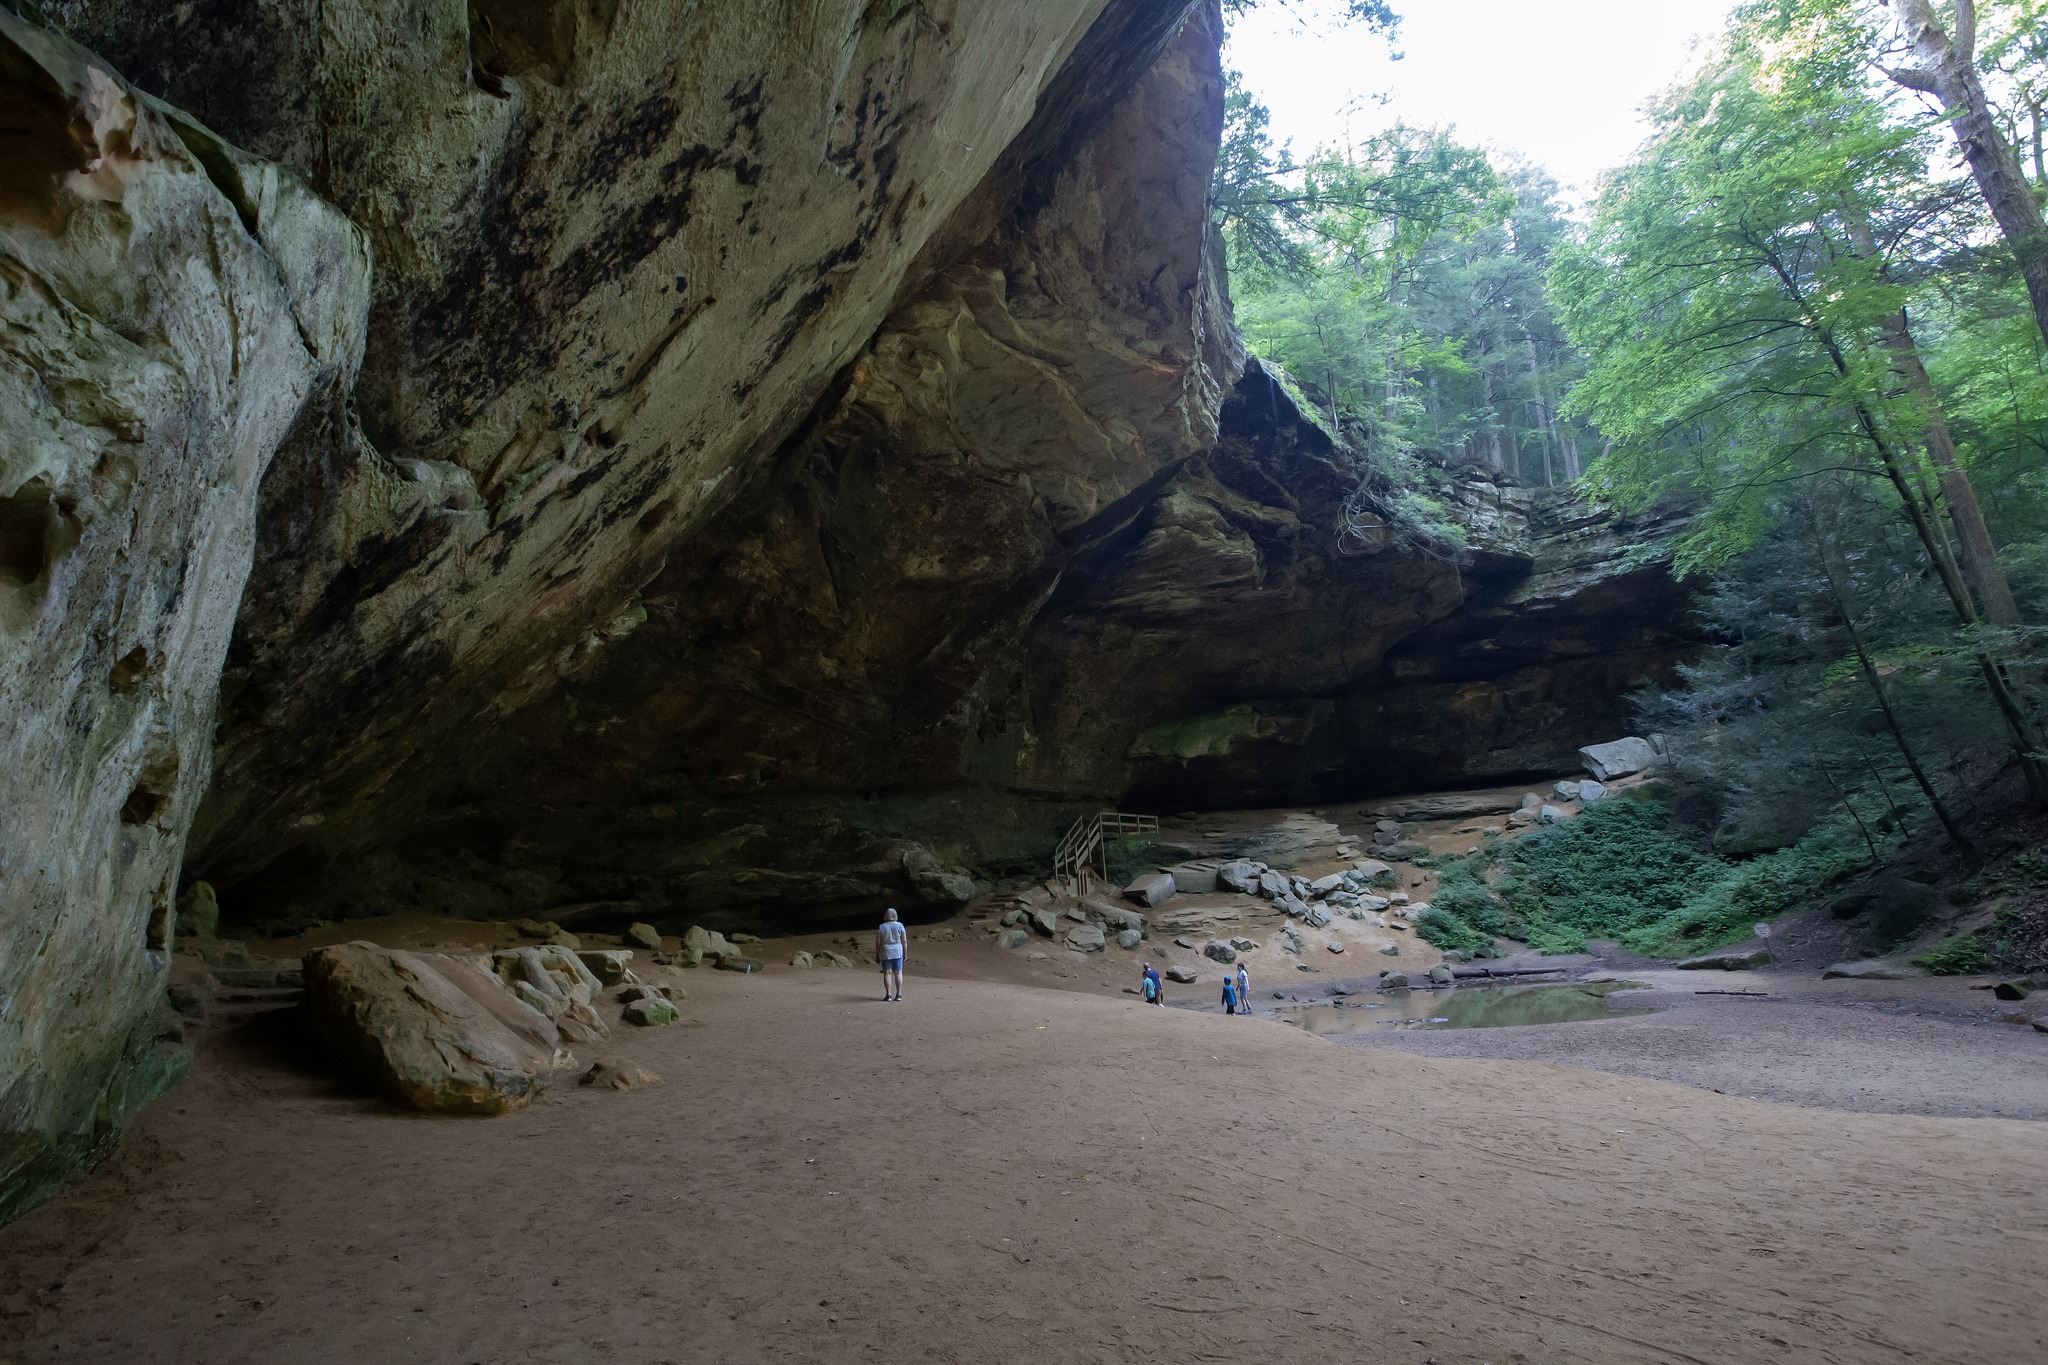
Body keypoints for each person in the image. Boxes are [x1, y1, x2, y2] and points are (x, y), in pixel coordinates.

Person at [877, 908, 907, 1001]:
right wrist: (905, 953)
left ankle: (888, 995)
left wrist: (877, 954)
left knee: (887, 973)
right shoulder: (900, 925)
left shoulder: (882, 927)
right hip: (898, 950)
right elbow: (904, 941)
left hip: (886, 950)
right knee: (898, 973)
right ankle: (899, 995)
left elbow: (878, 943)